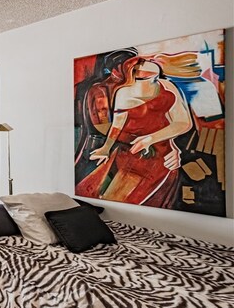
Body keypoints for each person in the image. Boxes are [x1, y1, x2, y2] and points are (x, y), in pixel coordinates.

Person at [76, 57, 192, 208]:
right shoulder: (123, 93)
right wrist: (106, 148)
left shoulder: (168, 87)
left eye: (151, 76)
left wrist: (150, 139)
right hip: (130, 152)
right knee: (109, 195)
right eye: (138, 73)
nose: (144, 77)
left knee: (143, 197)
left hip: (162, 154)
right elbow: (118, 124)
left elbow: (183, 122)